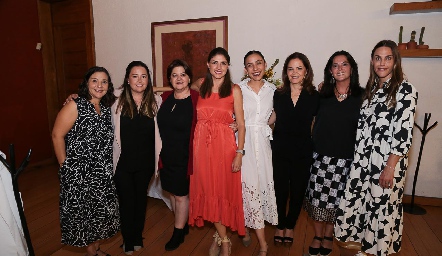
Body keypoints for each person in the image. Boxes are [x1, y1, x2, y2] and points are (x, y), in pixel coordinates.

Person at [334, 40, 418, 256]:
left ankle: (379, 251)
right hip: (364, 161)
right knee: (366, 205)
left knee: (383, 209)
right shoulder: (372, 88)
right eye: (378, 58)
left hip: (387, 162)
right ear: (372, 61)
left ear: (395, 61)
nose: (382, 63)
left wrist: (390, 167)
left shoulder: (405, 90)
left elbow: (403, 133)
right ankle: (367, 248)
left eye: (388, 58)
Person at [52, 66, 119, 256]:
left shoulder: (105, 109)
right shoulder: (75, 105)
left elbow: (136, 88)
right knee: (84, 214)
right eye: (95, 81)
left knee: (99, 213)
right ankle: (93, 253)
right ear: (86, 83)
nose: (99, 85)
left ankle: (95, 248)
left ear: (109, 86)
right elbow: (57, 135)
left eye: (104, 81)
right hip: (78, 172)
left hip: (101, 172)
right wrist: (65, 167)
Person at [303, 50, 363, 256]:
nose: (339, 69)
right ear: (330, 70)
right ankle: (317, 235)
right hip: (320, 157)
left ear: (352, 68)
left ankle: (329, 235)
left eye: (344, 64)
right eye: (335, 65)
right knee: (318, 201)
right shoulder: (322, 95)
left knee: (336, 203)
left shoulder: (362, 96)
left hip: (347, 159)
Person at [188, 47, 246, 256]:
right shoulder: (201, 85)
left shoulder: (234, 89)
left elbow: (241, 123)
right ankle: (222, 237)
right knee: (207, 190)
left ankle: (222, 238)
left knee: (221, 191)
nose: (218, 67)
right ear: (208, 65)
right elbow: (180, 85)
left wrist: (240, 152)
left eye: (223, 63)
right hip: (201, 148)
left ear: (228, 66)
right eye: (214, 62)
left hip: (224, 147)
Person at [111, 61, 161, 255]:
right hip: (122, 163)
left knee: (140, 201)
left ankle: (137, 236)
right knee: (126, 201)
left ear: (148, 80)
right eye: (135, 76)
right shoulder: (115, 99)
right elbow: (94, 93)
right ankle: (128, 240)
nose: (139, 80)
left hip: (145, 163)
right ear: (127, 79)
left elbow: (179, 88)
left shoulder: (156, 100)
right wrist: (74, 96)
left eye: (143, 76)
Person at [270, 52, 319, 247]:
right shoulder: (278, 94)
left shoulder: (315, 96)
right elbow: (272, 117)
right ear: (286, 72)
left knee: (298, 191)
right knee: (280, 190)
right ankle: (280, 223)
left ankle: (290, 225)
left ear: (306, 71)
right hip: (280, 148)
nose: (294, 72)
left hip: (303, 150)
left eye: (299, 68)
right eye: (290, 68)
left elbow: (317, 124)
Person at [238, 50, 278, 256]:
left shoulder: (273, 89)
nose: (255, 68)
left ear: (265, 65)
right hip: (243, 144)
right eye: (250, 65)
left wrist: (265, 124)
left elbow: (273, 116)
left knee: (259, 186)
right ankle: (261, 243)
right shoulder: (239, 89)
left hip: (262, 145)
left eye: (258, 63)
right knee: (245, 187)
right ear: (245, 69)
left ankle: (250, 231)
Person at [156, 59, 198, 251]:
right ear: (169, 79)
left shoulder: (197, 98)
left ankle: (178, 232)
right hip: (165, 156)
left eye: (183, 74)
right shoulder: (163, 98)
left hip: (186, 156)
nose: (179, 78)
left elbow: (217, 110)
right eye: (174, 75)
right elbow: (133, 92)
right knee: (172, 192)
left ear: (189, 77)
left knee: (181, 195)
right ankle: (182, 224)